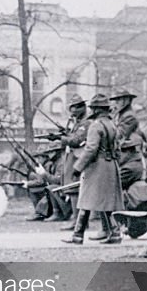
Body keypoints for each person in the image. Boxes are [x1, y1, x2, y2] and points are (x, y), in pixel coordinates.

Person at [64, 94, 124, 245]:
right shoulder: (112, 125)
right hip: (111, 165)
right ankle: (115, 233)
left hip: (97, 166)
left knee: (86, 200)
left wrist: (78, 167)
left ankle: (77, 235)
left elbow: (91, 149)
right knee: (107, 201)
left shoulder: (95, 126)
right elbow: (118, 148)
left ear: (96, 109)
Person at [56, 94, 88, 230]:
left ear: (82, 108)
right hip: (72, 157)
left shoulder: (85, 123)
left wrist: (62, 138)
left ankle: (78, 222)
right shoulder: (77, 123)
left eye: (75, 107)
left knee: (75, 189)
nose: (72, 111)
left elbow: (77, 141)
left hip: (78, 158)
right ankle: (78, 221)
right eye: (72, 108)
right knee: (72, 189)